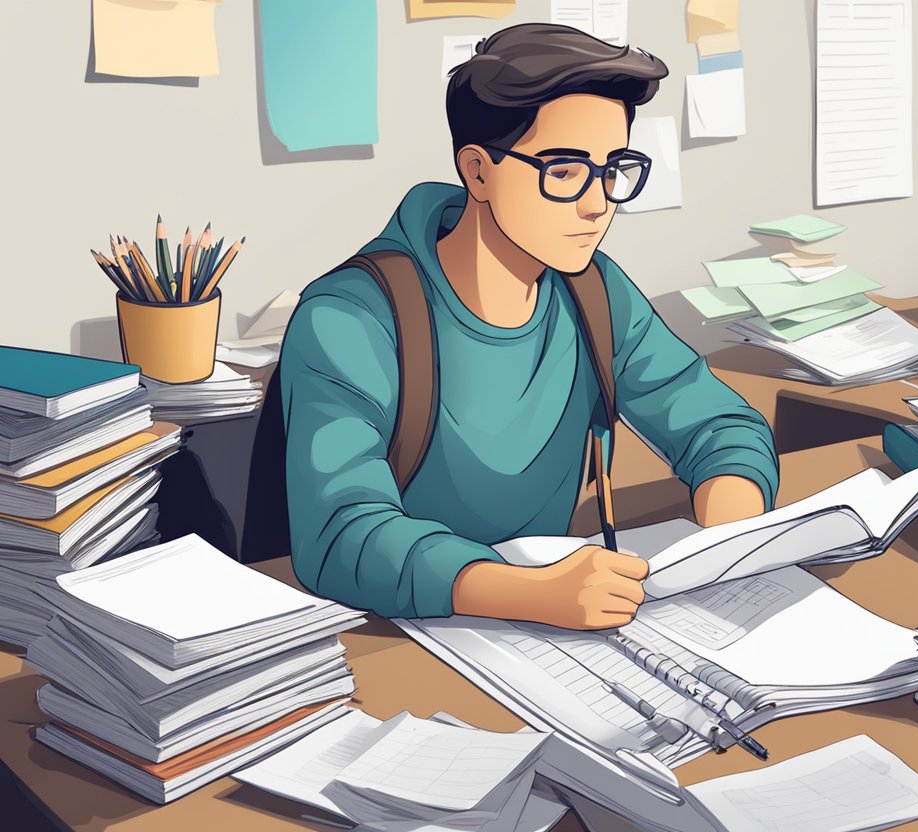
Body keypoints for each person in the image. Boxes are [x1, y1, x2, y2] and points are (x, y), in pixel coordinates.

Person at [278, 23, 778, 631]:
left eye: (614, 168)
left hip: (557, 622)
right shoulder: (351, 318)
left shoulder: (592, 290)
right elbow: (340, 534)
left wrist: (731, 533)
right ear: (479, 172)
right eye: (564, 171)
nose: (599, 203)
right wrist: (525, 593)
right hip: (399, 633)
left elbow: (717, 423)